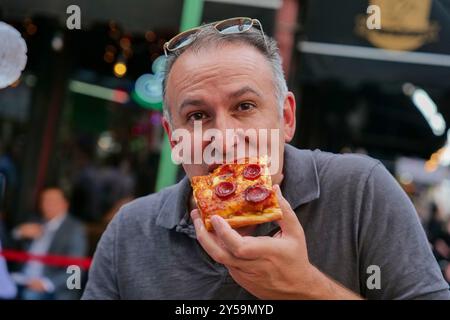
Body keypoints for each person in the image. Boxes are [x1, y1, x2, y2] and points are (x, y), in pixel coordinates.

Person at [82, 17, 450, 299]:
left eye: (244, 106)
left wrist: (305, 287)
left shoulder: (361, 190)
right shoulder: (130, 231)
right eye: (196, 115)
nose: (223, 138)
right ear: (172, 137)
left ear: (286, 118)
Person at [12, 187, 87, 300]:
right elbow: (7, 247)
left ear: (65, 204)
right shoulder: (34, 221)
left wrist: (47, 284)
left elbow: (76, 271)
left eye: (53, 201)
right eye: (44, 200)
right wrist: (18, 233)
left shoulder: (75, 229)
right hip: (23, 279)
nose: (47, 204)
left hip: (51, 288)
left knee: (30, 296)